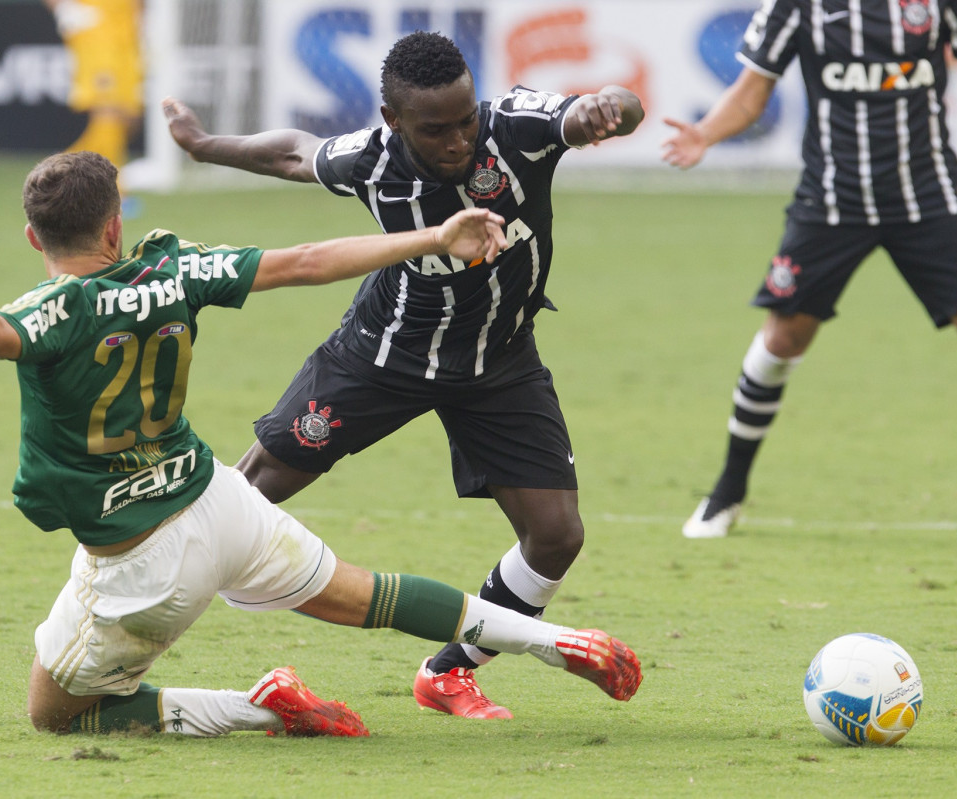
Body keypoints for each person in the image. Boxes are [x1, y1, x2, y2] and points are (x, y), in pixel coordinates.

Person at [0, 146, 641, 739]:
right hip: (222, 500)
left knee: (54, 713)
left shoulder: (54, 313)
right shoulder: (175, 271)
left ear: (34, 239)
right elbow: (307, 260)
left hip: (143, 560)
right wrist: (431, 239)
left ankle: (261, 705)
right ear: (116, 224)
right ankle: (553, 637)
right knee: (368, 594)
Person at [163, 30, 644, 719]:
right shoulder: (371, 160)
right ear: (393, 121)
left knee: (557, 534)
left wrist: (609, 107)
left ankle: (448, 672)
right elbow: (295, 152)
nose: (457, 141)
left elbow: (613, 107)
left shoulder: (518, 130)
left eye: (465, 120)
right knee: (246, 497)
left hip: (499, 362)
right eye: (435, 129)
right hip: (381, 356)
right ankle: (138, 608)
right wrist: (204, 145)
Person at [662, 0, 957, 538]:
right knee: (783, 338)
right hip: (832, 203)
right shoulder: (797, 5)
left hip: (930, 199)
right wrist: (705, 134)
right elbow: (752, 92)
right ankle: (727, 492)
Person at [44, 0, 143, 168]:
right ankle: (112, 185)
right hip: (95, 29)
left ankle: (62, 172)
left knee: (129, 117)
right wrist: (63, 7)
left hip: (127, 29)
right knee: (108, 109)